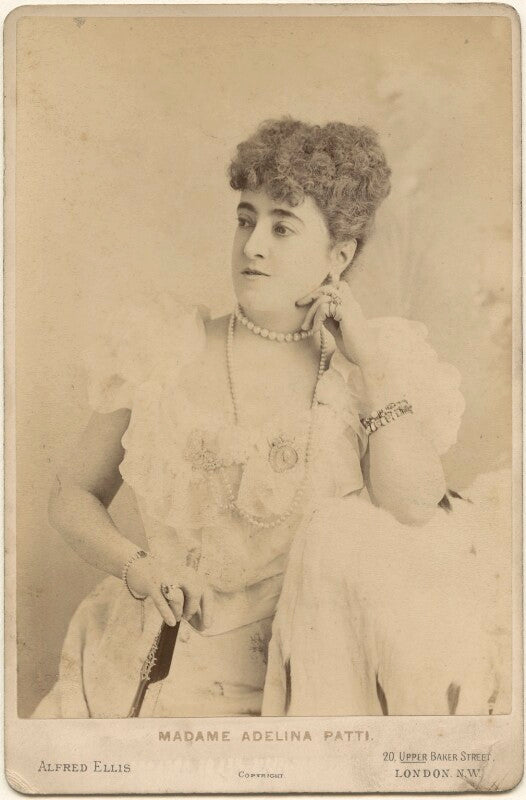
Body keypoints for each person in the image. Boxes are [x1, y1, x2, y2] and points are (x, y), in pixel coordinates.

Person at [32, 118, 509, 719]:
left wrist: (368, 366)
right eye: (245, 219)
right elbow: (72, 493)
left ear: (339, 255)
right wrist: (140, 567)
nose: (253, 245)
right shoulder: (164, 348)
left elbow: (414, 506)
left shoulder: (367, 369)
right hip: (170, 667)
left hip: (318, 685)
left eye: (282, 227)